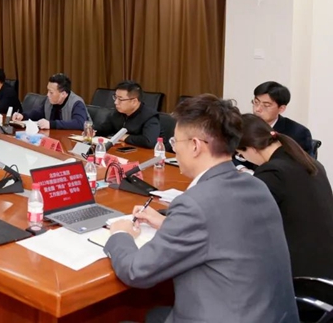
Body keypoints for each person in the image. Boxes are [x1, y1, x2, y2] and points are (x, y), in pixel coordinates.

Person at [105, 95, 298, 323]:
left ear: (195, 146)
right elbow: (222, 232)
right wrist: (168, 223)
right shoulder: (256, 185)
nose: (174, 148)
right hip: (271, 315)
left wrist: (121, 234)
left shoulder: (194, 203)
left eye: (175, 141)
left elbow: (137, 271)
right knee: (155, 314)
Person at [238, 113, 333, 278]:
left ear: (252, 148)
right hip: (324, 265)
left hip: (300, 273)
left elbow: (249, 223)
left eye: (240, 154)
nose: (243, 158)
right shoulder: (310, 163)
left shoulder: (272, 172)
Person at [252, 81, 313, 155]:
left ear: (281, 109)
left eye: (266, 105)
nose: (257, 109)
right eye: (256, 102)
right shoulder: (245, 126)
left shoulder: (298, 133)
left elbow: (302, 161)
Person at [94, 80, 160, 149]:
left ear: (134, 101)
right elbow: (105, 129)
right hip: (121, 150)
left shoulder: (150, 117)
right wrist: (93, 131)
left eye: (120, 99)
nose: (116, 102)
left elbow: (149, 141)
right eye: (115, 97)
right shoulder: (117, 113)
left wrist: (126, 137)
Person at [12, 73, 88, 130]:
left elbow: (80, 123)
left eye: (51, 92)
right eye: (48, 91)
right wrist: (23, 116)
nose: (47, 94)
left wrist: (51, 124)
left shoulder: (76, 103)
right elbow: (38, 113)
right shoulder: (49, 100)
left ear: (63, 94)